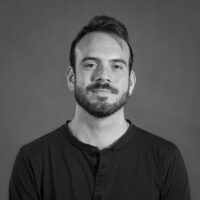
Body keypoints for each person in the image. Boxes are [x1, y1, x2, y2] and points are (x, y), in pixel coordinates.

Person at [9, 15, 190, 200]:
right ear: (72, 78)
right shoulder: (32, 160)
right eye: (90, 64)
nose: (103, 76)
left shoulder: (166, 159)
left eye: (117, 66)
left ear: (131, 82)